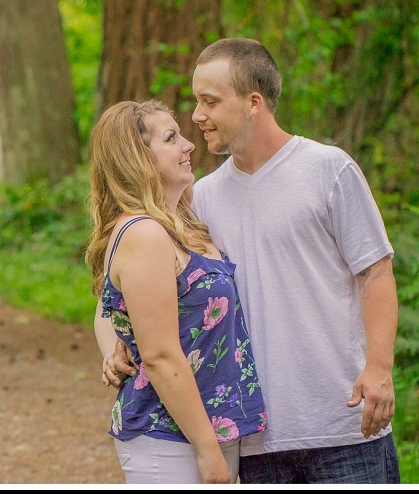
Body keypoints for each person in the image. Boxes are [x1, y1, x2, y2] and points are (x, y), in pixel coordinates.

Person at [108, 37, 401, 483]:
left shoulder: (328, 169)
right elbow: (124, 289)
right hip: (253, 438)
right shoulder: (199, 199)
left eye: (210, 101)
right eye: (195, 101)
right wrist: (114, 343)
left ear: (253, 103)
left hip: (343, 428)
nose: (197, 115)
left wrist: (379, 368)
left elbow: (376, 273)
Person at [88, 100, 266, 483]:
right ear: (138, 159)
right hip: (170, 435)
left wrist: (111, 348)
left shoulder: (181, 222)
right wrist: (207, 450)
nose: (189, 145)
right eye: (172, 138)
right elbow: (159, 355)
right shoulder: (143, 234)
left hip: (208, 425)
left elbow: (107, 308)